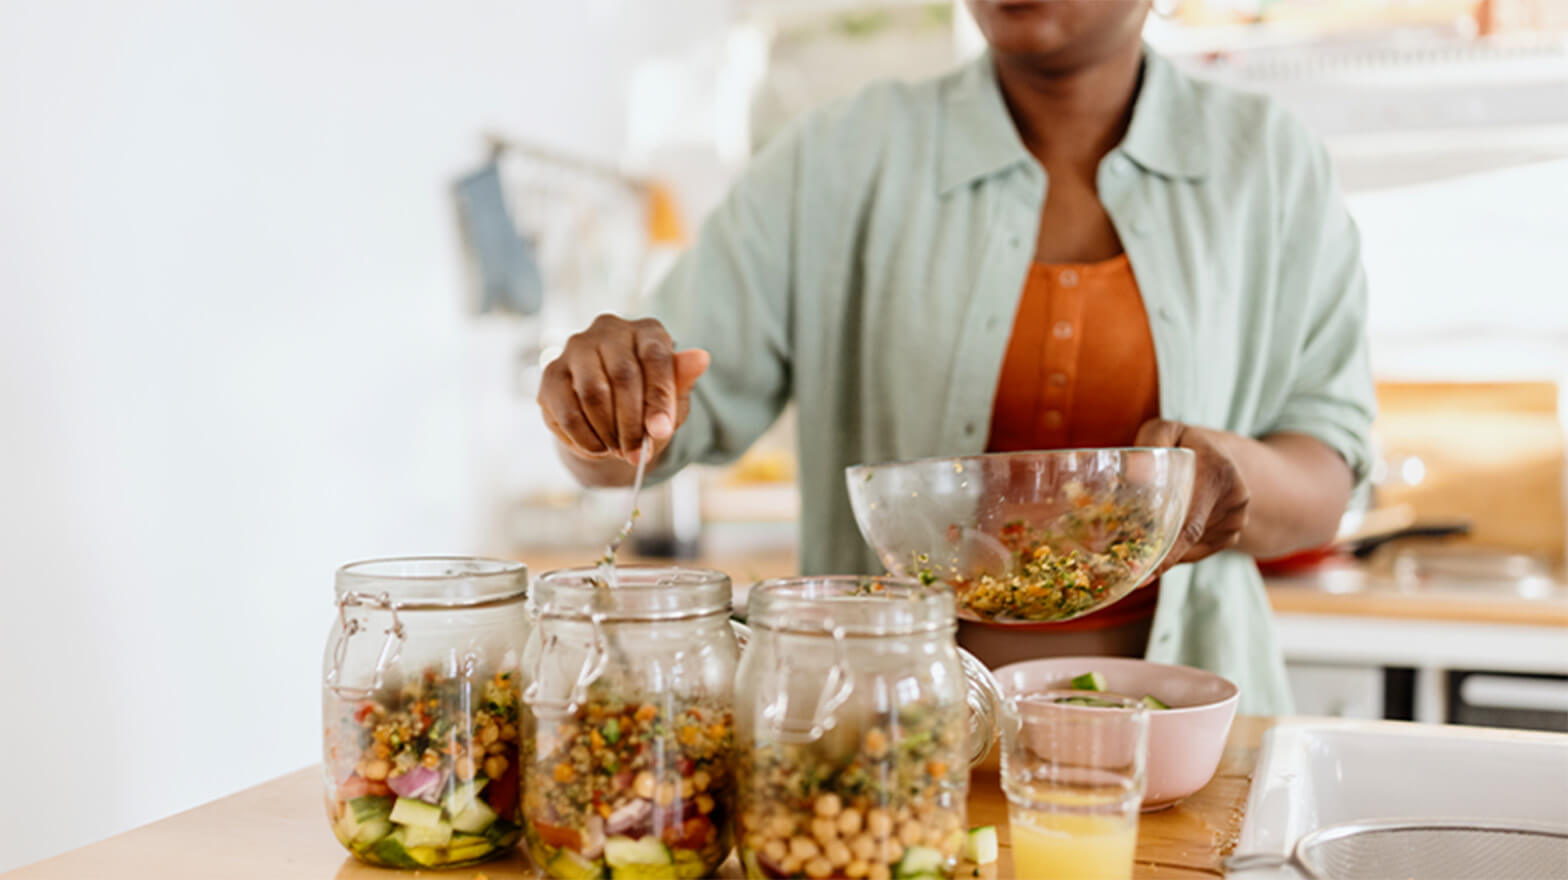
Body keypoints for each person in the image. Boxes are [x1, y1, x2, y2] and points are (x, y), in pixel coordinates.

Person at [536, 0, 1373, 714]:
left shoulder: (1267, 164)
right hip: (874, 739)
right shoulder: (838, 154)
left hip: (1182, 738)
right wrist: (601, 403)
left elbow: (1326, 475)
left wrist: (1229, 476)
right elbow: (649, 427)